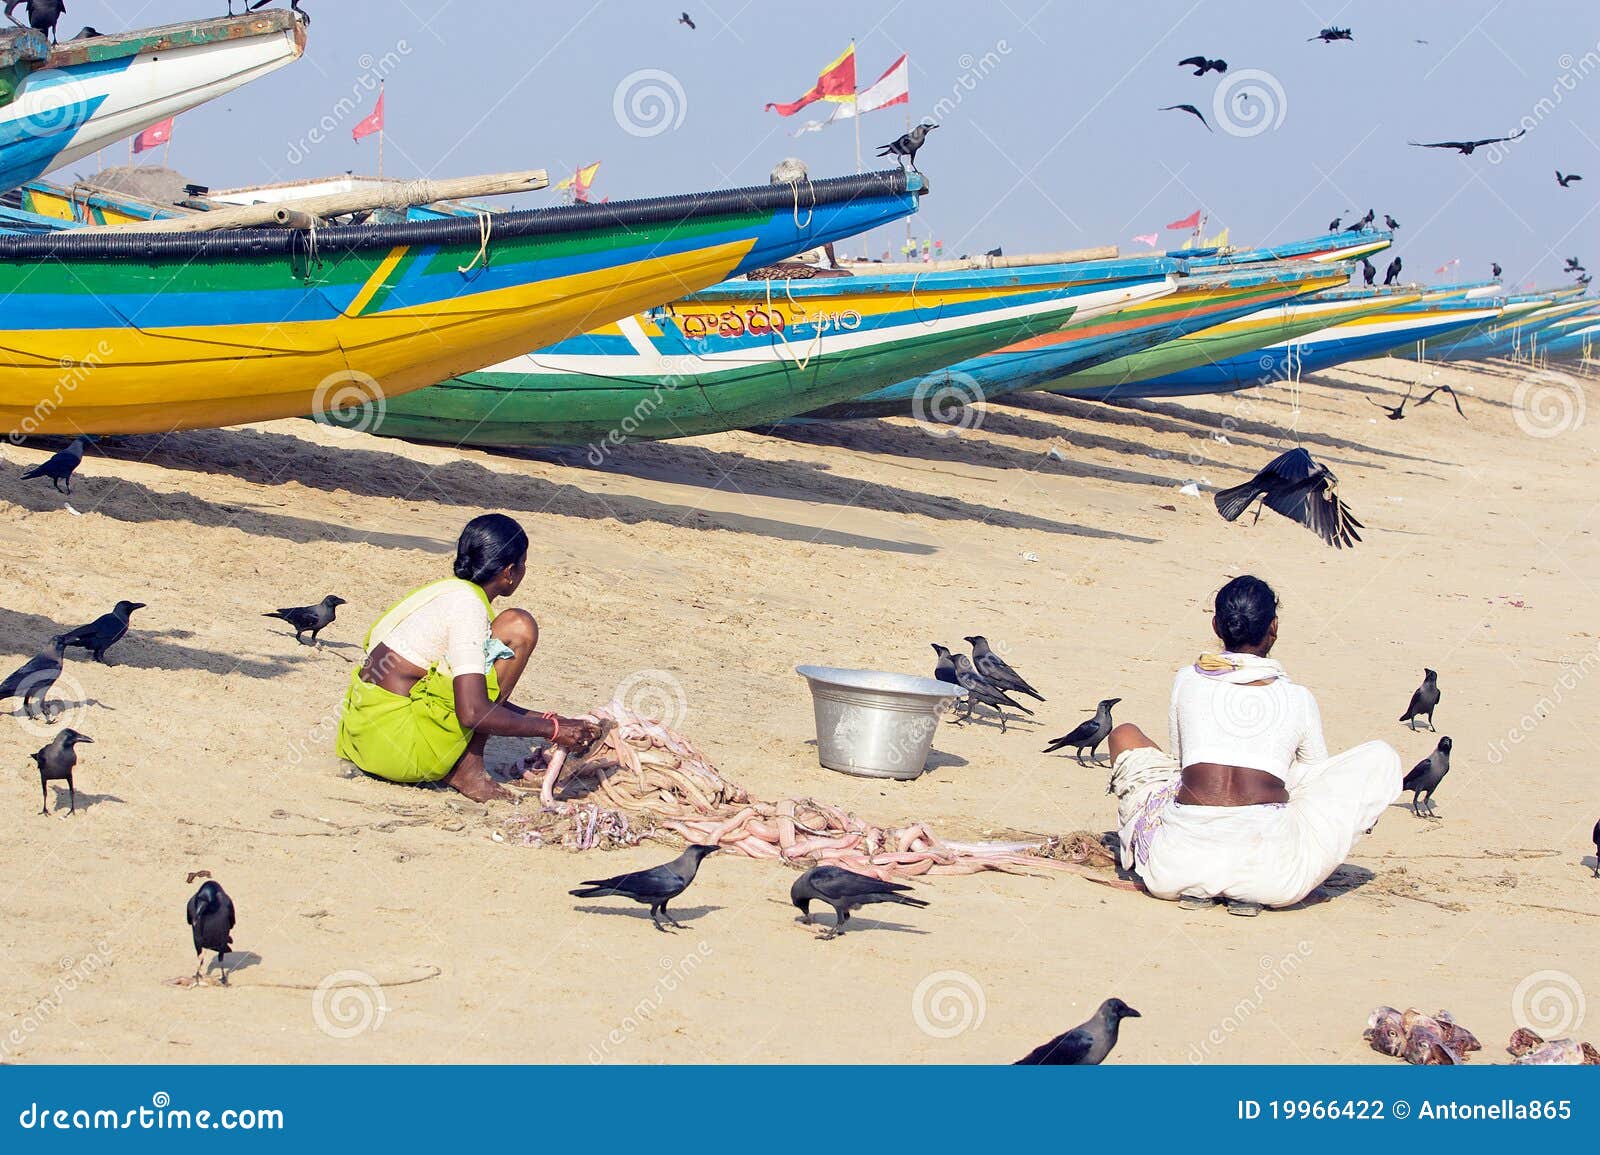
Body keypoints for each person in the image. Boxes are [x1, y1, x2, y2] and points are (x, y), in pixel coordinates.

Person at [1107, 575, 1401, 915]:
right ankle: (1243, 879)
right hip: (1273, 878)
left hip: (1174, 870)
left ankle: (1205, 881)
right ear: (1273, 627)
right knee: (1381, 757)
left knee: (1124, 733)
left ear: (1216, 625)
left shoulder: (1186, 679)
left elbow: (1181, 762)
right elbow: (1313, 775)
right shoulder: (1298, 698)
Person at [335, 513, 599, 802]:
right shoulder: (469, 609)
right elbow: (472, 710)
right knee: (519, 626)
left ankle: (462, 764)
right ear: (509, 572)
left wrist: (553, 719)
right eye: (523, 565)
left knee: (480, 678)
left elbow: (463, 693)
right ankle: (468, 770)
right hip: (400, 752)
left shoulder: (443, 592)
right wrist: (553, 730)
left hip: (359, 738)